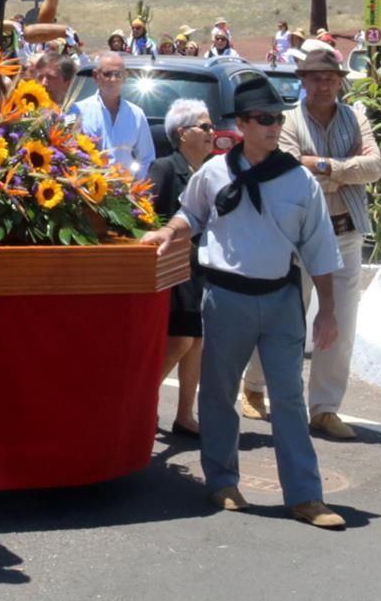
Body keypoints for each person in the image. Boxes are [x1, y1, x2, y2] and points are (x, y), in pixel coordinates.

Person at [139, 75, 346, 529]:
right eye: (264, 119)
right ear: (242, 123)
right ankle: (223, 481)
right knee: (217, 393)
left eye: (278, 118)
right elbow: (190, 214)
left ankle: (306, 495)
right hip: (226, 296)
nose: (274, 127)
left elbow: (320, 248)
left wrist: (328, 309)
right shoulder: (213, 172)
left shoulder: (299, 181)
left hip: (280, 299)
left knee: (289, 398)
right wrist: (167, 233)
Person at [244, 39, 381, 438]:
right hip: (297, 236)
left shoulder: (356, 119)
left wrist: (323, 165)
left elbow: (374, 167)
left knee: (338, 322)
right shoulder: (286, 122)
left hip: (345, 232)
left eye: (331, 78)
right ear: (303, 80)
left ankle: (324, 408)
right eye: (316, 78)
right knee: (284, 318)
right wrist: (343, 168)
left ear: (340, 82)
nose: (324, 85)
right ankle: (254, 387)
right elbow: (289, 168)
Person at [150, 99, 215, 438]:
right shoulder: (164, 167)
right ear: (181, 132)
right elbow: (148, 217)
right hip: (174, 271)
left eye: (210, 126)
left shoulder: (211, 170)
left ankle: (185, 415)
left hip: (203, 269)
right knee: (180, 341)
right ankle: (141, 401)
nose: (210, 132)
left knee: (197, 342)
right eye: (203, 127)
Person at [72, 53, 156, 181]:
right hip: (89, 191)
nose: (113, 79)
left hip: (125, 193)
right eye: (107, 74)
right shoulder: (77, 111)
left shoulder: (136, 114)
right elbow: (69, 153)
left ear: (125, 77)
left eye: (118, 74)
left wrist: (136, 189)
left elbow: (147, 158)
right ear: (96, 76)